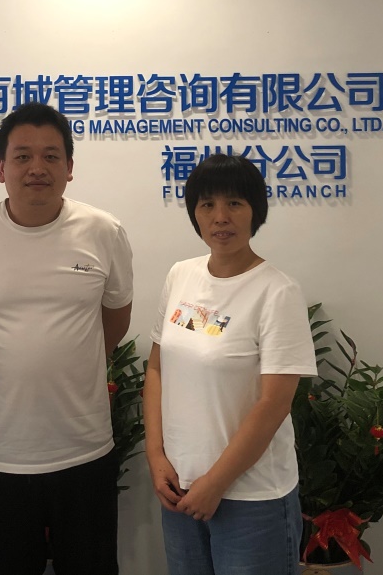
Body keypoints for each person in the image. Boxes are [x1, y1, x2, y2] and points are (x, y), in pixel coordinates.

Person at [0, 101, 133, 575]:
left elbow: (116, 317)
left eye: (51, 156)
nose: (36, 168)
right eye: (22, 156)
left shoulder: (104, 232)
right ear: (1, 168)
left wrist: (74, 370)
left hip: (85, 450)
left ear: (69, 167)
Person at [144, 153, 316, 575]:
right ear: (195, 213)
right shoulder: (180, 275)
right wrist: (156, 456)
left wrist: (215, 483)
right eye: (207, 204)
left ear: (256, 211)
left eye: (234, 203)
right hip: (180, 487)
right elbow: (158, 368)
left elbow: (274, 404)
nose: (220, 216)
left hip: (252, 499)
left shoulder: (277, 292)